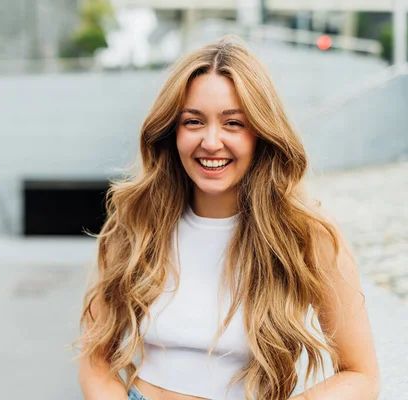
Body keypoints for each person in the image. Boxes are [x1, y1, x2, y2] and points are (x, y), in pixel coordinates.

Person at [73, 35, 380, 400]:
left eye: (233, 123)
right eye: (193, 122)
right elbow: (96, 360)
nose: (211, 141)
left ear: (260, 134)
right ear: (172, 132)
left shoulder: (307, 235)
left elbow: (361, 374)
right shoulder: (134, 225)